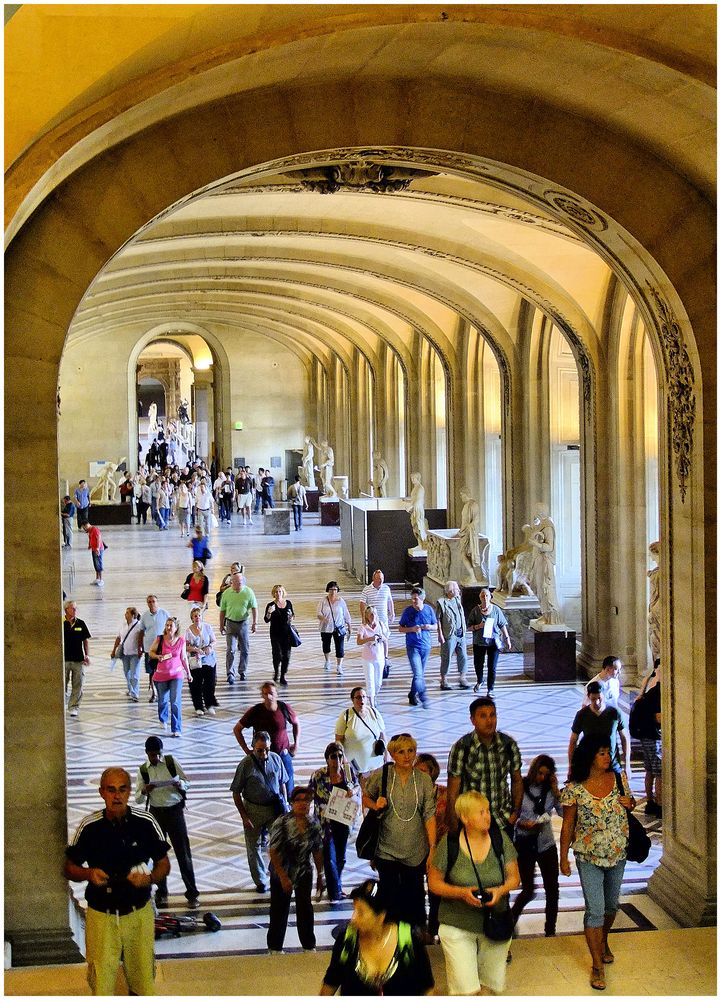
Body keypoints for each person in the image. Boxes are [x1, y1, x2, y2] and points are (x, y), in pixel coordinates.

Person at [64, 767, 170, 996]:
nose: (117, 796)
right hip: (102, 916)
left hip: (138, 914)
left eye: (122, 790)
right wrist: (88, 874)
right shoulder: (89, 827)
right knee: (102, 982)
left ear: (130, 791)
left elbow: (164, 864)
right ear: (101, 792)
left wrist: (149, 878)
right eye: (111, 790)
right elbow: (69, 868)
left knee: (143, 982)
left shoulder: (145, 822)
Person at [560, 736, 636, 991]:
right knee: (595, 909)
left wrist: (631, 803)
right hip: (588, 855)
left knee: (611, 906)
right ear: (590, 756)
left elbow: (630, 805)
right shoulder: (575, 788)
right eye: (602, 752)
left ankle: (602, 940)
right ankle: (596, 965)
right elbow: (568, 824)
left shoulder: (619, 779)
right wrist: (563, 857)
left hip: (617, 852)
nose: (607, 756)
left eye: (608, 752)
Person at [428, 790, 520, 996]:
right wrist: (461, 893)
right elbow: (434, 883)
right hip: (457, 924)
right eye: (481, 812)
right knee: (466, 990)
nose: (487, 816)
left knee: (489, 988)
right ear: (465, 818)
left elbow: (514, 878)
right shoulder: (449, 844)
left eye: (487, 810)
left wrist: (499, 891)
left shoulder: (499, 838)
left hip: (496, 922)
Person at [363, 733, 436, 929]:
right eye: (401, 752)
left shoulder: (423, 780)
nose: (406, 756)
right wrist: (375, 804)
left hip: (415, 849)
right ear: (393, 754)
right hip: (387, 849)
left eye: (410, 751)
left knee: (415, 898)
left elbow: (429, 814)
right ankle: (392, 944)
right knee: (390, 898)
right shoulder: (382, 775)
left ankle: (415, 944)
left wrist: (432, 847)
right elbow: (364, 797)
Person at [319, 879, 435, 996]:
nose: (353, 918)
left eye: (361, 912)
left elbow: (427, 987)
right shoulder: (347, 941)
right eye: (354, 910)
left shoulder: (408, 940)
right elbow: (330, 984)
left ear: (381, 916)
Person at [136, 736, 199, 908]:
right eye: (152, 755)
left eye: (157, 754)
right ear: (147, 753)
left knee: (183, 853)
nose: (155, 758)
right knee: (158, 854)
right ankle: (162, 892)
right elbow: (138, 799)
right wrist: (144, 790)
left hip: (174, 811)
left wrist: (180, 785)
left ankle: (192, 893)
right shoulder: (143, 770)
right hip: (156, 813)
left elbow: (187, 782)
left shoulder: (171, 762)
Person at [446, 697, 523, 837]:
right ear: (473, 720)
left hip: (503, 821)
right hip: (472, 823)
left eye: (492, 715)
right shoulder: (462, 747)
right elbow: (453, 792)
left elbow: (517, 780)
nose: (489, 721)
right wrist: (454, 826)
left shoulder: (508, 744)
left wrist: (515, 813)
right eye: (483, 716)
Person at [510, 754, 562, 937]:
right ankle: (511, 919)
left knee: (552, 889)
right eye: (540, 773)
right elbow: (512, 814)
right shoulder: (520, 788)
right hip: (524, 842)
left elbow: (563, 811)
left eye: (546, 775)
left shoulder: (550, 790)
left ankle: (550, 930)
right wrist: (520, 824)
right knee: (528, 889)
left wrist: (556, 790)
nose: (542, 778)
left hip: (545, 843)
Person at [230, 731, 288, 893]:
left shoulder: (276, 759)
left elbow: (282, 782)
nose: (264, 754)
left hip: (273, 808)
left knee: (278, 842)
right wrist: (244, 816)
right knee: (253, 845)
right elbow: (236, 792)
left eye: (267, 749)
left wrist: (284, 804)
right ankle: (260, 880)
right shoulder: (246, 764)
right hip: (253, 809)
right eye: (260, 750)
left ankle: (276, 871)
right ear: (253, 748)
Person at [267, 785, 324, 952]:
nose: (303, 804)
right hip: (281, 872)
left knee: (305, 908)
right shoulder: (282, 822)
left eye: (306, 801)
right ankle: (275, 947)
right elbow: (274, 851)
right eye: (299, 801)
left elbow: (317, 849)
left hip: (303, 871)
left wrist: (320, 875)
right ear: (292, 803)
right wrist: (283, 877)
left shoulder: (313, 823)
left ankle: (308, 945)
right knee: (279, 909)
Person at [309, 742, 361, 904]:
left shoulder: (348, 772)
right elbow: (310, 794)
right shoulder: (318, 775)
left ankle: (335, 886)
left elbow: (358, 786)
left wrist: (354, 791)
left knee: (341, 857)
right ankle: (334, 893)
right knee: (329, 858)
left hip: (343, 821)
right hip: (325, 823)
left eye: (340, 756)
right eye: (333, 757)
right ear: (327, 758)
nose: (337, 760)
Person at [233, 681, 300, 792]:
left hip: (282, 754)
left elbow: (296, 723)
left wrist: (296, 744)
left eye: (271, 693)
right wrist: (246, 749)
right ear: (262, 695)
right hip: (262, 757)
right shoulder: (255, 711)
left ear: (276, 694)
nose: (269, 696)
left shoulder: (284, 708)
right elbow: (237, 729)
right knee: (266, 789)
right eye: (265, 694)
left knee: (288, 788)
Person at [415, 752, 449, 942]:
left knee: (436, 891)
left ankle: (434, 928)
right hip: (416, 848)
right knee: (416, 891)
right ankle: (420, 928)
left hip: (439, 849)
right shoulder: (412, 794)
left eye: (423, 771)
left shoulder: (443, 793)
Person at [569, 681, 629, 778]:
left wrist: (627, 765)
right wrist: (571, 767)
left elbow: (624, 738)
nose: (597, 702)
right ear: (588, 696)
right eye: (593, 699)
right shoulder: (582, 715)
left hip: (612, 764)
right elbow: (573, 741)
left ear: (603, 696)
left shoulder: (614, 712)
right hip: (589, 765)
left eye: (599, 698)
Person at [148, 617, 192, 737]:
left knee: (175, 702)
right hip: (161, 675)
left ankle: (176, 728)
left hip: (177, 675)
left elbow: (183, 658)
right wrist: (158, 656)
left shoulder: (181, 641)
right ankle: (163, 718)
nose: (168, 628)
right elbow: (151, 652)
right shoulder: (160, 639)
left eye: (170, 625)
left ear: (176, 627)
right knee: (162, 700)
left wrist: (188, 673)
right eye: (167, 625)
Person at [466, 588, 512, 696]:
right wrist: (478, 626)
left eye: (487, 596)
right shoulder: (475, 611)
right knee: (478, 664)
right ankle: (480, 680)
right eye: (482, 596)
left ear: (490, 597)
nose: (485, 598)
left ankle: (490, 689)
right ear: (480, 598)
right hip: (479, 642)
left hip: (493, 642)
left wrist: (507, 638)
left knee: (492, 667)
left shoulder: (496, 610)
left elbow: (502, 624)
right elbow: (468, 627)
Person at [334, 687, 387, 780]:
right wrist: (343, 759)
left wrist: (387, 755)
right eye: (358, 697)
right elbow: (338, 740)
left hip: (376, 764)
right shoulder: (346, 716)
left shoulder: (374, 712)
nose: (361, 700)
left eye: (364, 697)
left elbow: (382, 734)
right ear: (352, 700)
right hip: (355, 766)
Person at [398, 586, 437, 709]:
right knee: (418, 673)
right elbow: (400, 628)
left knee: (419, 674)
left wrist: (428, 627)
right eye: (412, 599)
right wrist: (412, 629)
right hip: (412, 646)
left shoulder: (429, 610)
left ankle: (412, 694)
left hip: (426, 646)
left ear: (422, 599)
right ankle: (423, 696)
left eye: (416, 599)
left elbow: (435, 625)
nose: (414, 602)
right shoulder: (407, 611)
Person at [634, 661, 662, 817]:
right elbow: (658, 717)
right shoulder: (657, 691)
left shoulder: (648, 683)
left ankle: (651, 801)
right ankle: (658, 804)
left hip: (645, 734)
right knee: (659, 772)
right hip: (652, 735)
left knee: (650, 769)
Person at [219, 569, 258, 683]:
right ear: (232, 582)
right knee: (230, 649)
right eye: (237, 582)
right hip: (230, 623)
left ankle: (242, 671)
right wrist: (221, 625)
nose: (239, 584)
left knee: (245, 649)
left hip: (243, 623)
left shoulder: (248, 592)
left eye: (241, 582)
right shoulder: (226, 593)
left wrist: (255, 623)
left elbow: (254, 607)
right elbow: (222, 611)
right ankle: (230, 673)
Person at [435, 580, 471, 691]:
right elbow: (438, 620)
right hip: (449, 634)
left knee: (463, 656)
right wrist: (440, 634)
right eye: (456, 589)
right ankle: (444, 679)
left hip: (460, 633)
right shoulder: (441, 602)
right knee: (446, 657)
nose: (458, 591)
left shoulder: (457, 600)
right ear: (450, 591)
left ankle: (462, 677)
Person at [184, 606, 219, 716]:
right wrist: (194, 649)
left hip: (208, 659)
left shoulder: (207, 627)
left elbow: (213, 640)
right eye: (195, 616)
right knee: (196, 684)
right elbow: (185, 646)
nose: (197, 617)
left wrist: (210, 648)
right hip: (195, 660)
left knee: (210, 683)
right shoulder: (188, 631)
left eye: (199, 615)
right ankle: (198, 706)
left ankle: (209, 704)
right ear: (192, 618)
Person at [359, 568, 395, 674]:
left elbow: (389, 601)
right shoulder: (367, 589)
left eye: (382, 578)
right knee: (372, 639)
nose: (381, 580)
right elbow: (362, 603)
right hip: (371, 619)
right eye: (379, 578)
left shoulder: (386, 588)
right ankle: (373, 657)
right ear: (373, 579)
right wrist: (363, 618)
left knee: (384, 638)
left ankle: (385, 658)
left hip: (383, 619)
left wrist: (392, 613)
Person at [138, 594, 169, 704]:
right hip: (149, 648)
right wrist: (140, 646)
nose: (152, 603)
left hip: (162, 647)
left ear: (157, 602)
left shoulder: (164, 613)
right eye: (149, 602)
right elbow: (141, 631)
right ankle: (154, 693)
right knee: (151, 671)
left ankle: (164, 691)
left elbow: (171, 628)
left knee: (163, 669)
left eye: (153, 601)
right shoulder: (145, 616)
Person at [317, 580, 352, 675]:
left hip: (338, 627)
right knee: (326, 645)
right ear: (328, 590)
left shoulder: (341, 601)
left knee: (340, 647)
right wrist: (323, 618)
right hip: (326, 628)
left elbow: (346, 614)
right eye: (331, 589)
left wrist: (349, 626)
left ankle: (339, 666)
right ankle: (327, 661)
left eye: (335, 589)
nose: (333, 591)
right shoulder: (323, 601)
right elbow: (318, 613)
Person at [63, 599, 91, 718]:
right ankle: (62, 703)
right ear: (66, 610)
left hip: (78, 659)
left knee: (78, 683)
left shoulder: (80, 623)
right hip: (64, 659)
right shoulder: (60, 623)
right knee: (62, 684)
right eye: (72, 608)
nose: (75, 610)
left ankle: (74, 706)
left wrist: (87, 655)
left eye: (75, 608)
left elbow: (85, 640)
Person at [263, 584, 296, 686]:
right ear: (274, 593)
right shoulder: (271, 605)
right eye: (276, 592)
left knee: (286, 655)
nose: (278, 594)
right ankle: (276, 670)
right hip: (275, 634)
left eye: (280, 591)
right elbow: (266, 620)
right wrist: (269, 613)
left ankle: (282, 675)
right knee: (277, 654)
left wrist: (291, 618)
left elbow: (292, 616)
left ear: (283, 593)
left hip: (287, 633)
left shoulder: (288, 603)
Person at [110, 606, 143, 702]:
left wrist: (141, 650)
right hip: (124, 653)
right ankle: (130, 689)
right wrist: (113, 650)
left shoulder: (139, 625)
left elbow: (141, 639)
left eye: (127, 613)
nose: (125, 614)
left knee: (134, 674)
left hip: (134, 654)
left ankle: (135, 693)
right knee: (126, 672)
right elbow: (119, 638)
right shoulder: (123, 625)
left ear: (133, 615)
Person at [356, 607, 386, 708]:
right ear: (367, 616)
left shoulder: (381, 625)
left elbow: (386, 640)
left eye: (374, 614)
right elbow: (359, 641)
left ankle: (374, 696)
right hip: (367, 658)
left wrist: (386, 656)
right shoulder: (363, 627)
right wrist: (370, 639)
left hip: (379, 657)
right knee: (370, 682)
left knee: (378, 683)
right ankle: (372, 704)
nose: (373, 616)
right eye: (371, 615)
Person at [83, 521, 105, 586]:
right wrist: (90, 545)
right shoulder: (90, 531)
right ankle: (97, 579)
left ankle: (101, 579)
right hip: (94, 549)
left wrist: (98, 548)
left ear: (86, 525)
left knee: (98, 563)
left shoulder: (95, 529)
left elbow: (99, 538)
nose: (84, 529)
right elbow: (90, 538)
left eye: (84, 528)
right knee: (95, 564)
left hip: (98, 549)